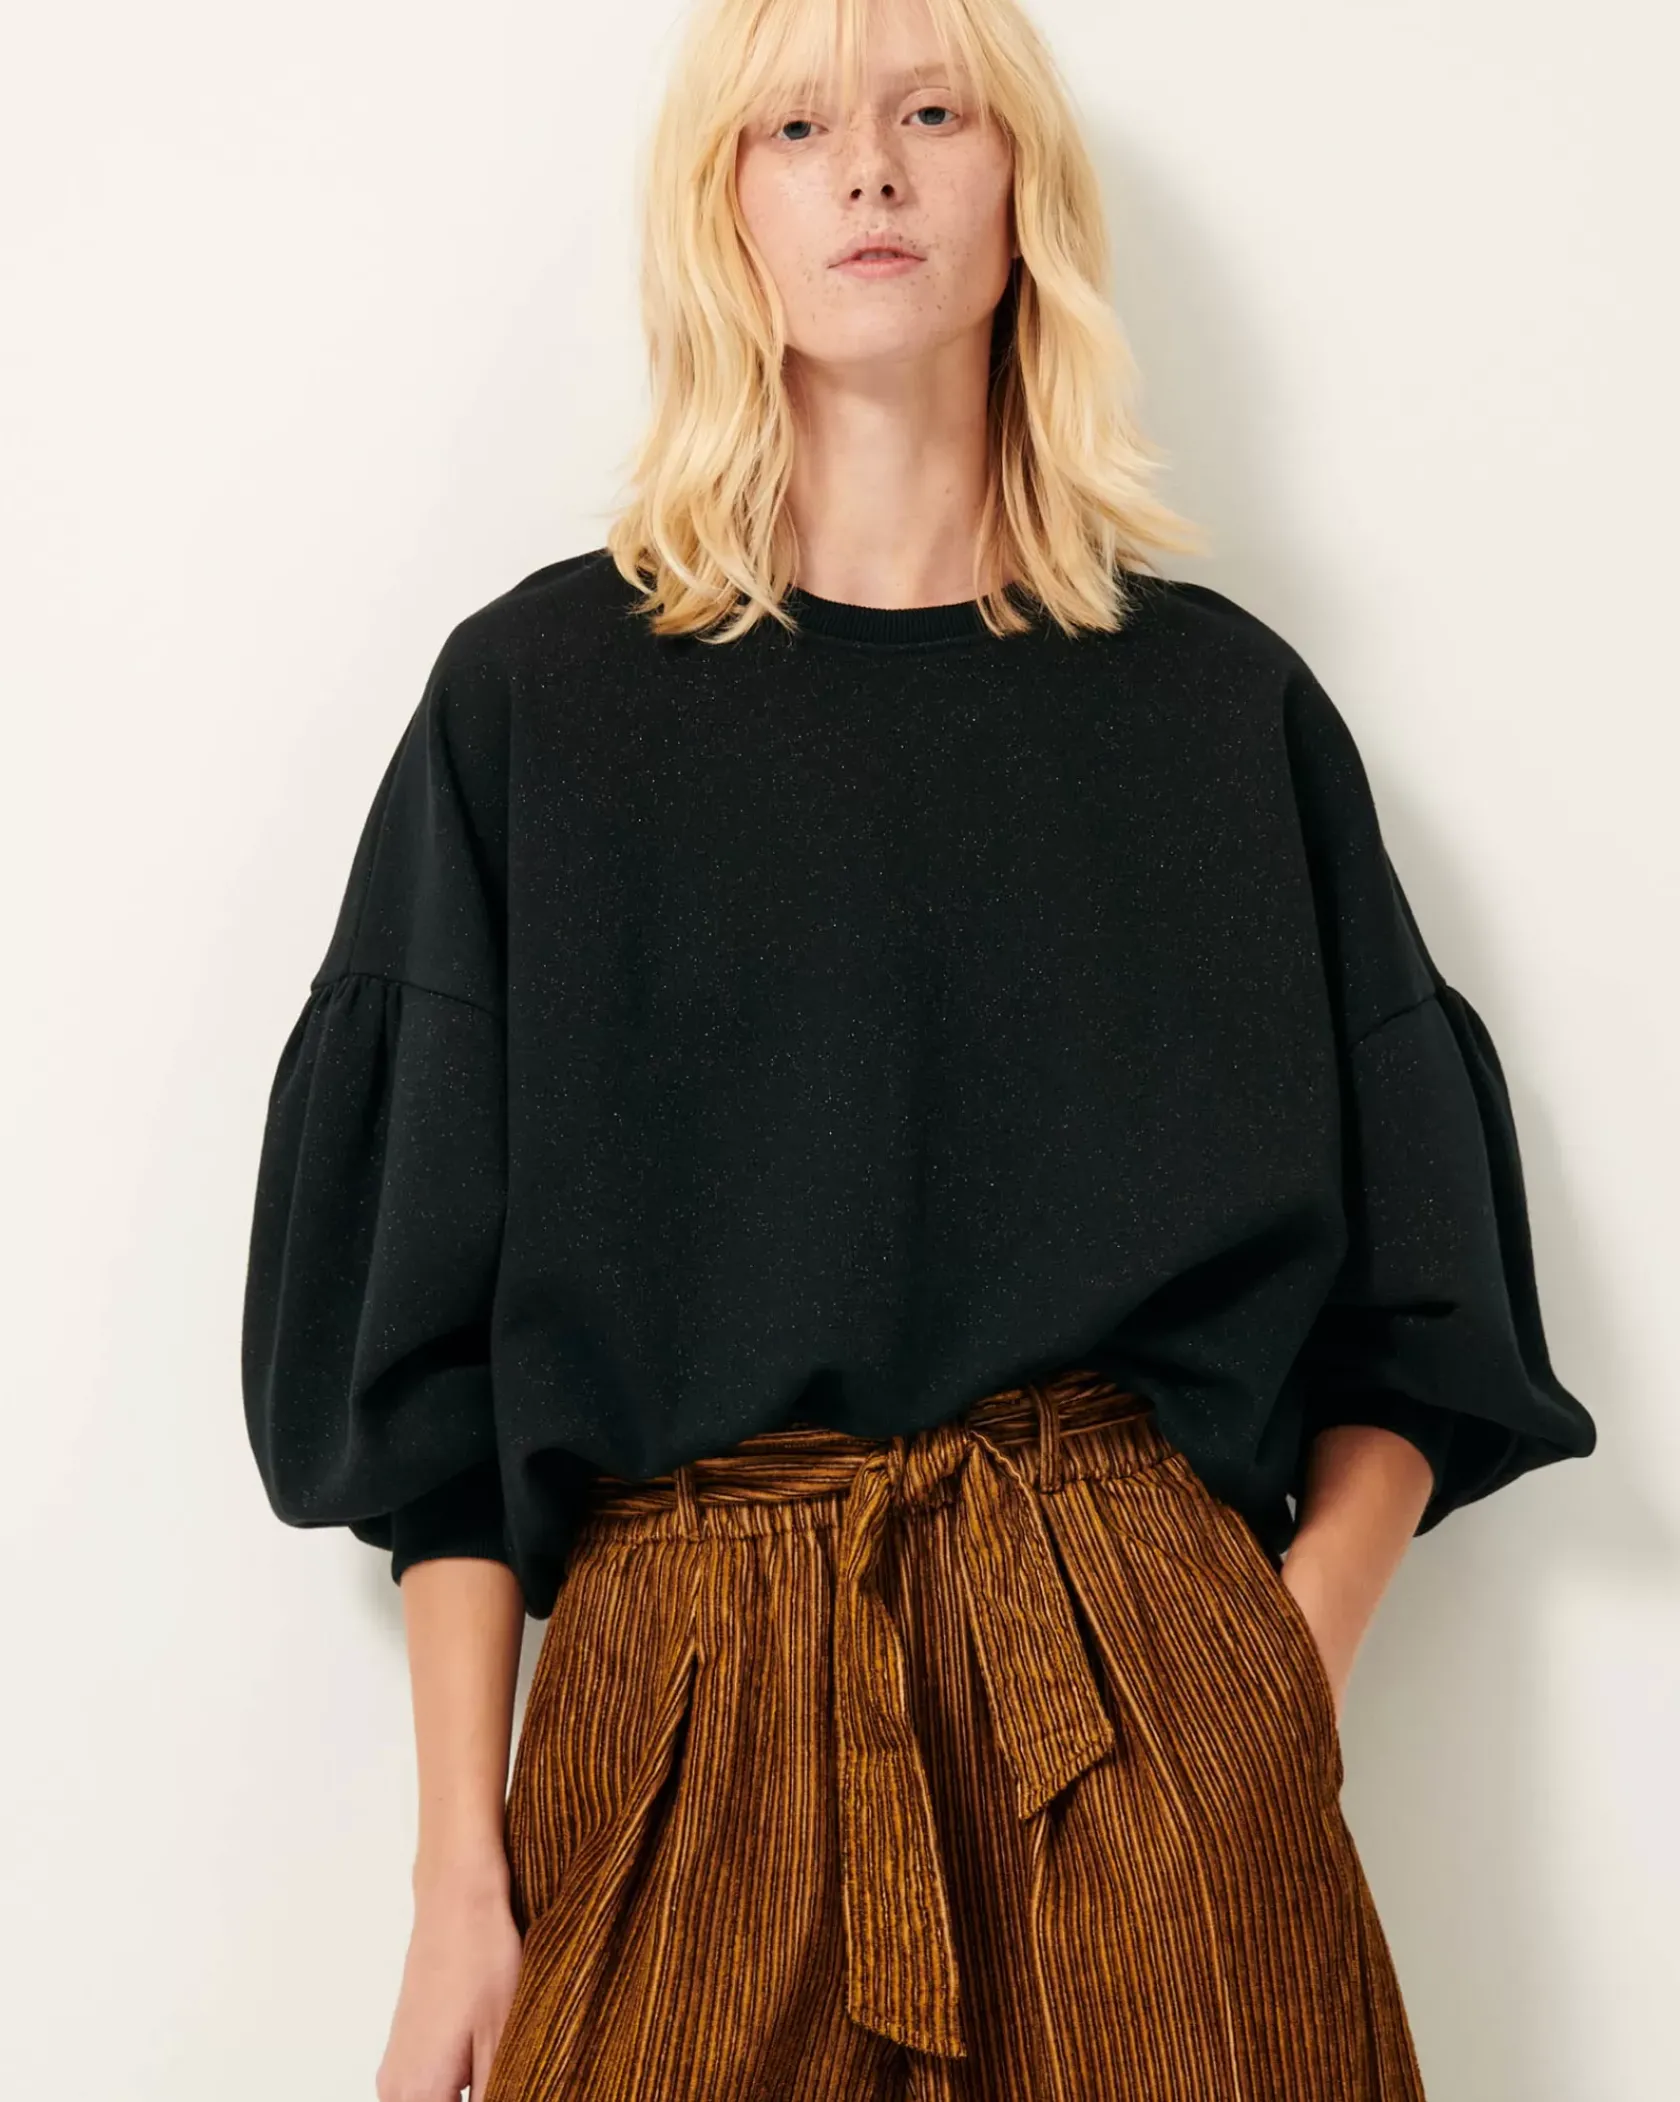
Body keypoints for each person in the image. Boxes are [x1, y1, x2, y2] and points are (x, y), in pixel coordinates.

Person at [239, 0, 1598, 2096]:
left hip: (1137, 1701)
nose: (868, 165)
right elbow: (421, 1375)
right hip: (681, 1718)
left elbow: (1425, 1311)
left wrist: (1271, 1684)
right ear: (720, 209)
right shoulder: (537, 706)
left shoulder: (1218, 714)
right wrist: (455, 1883)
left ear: (1020, 184)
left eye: (930, 109)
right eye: (794, 125)